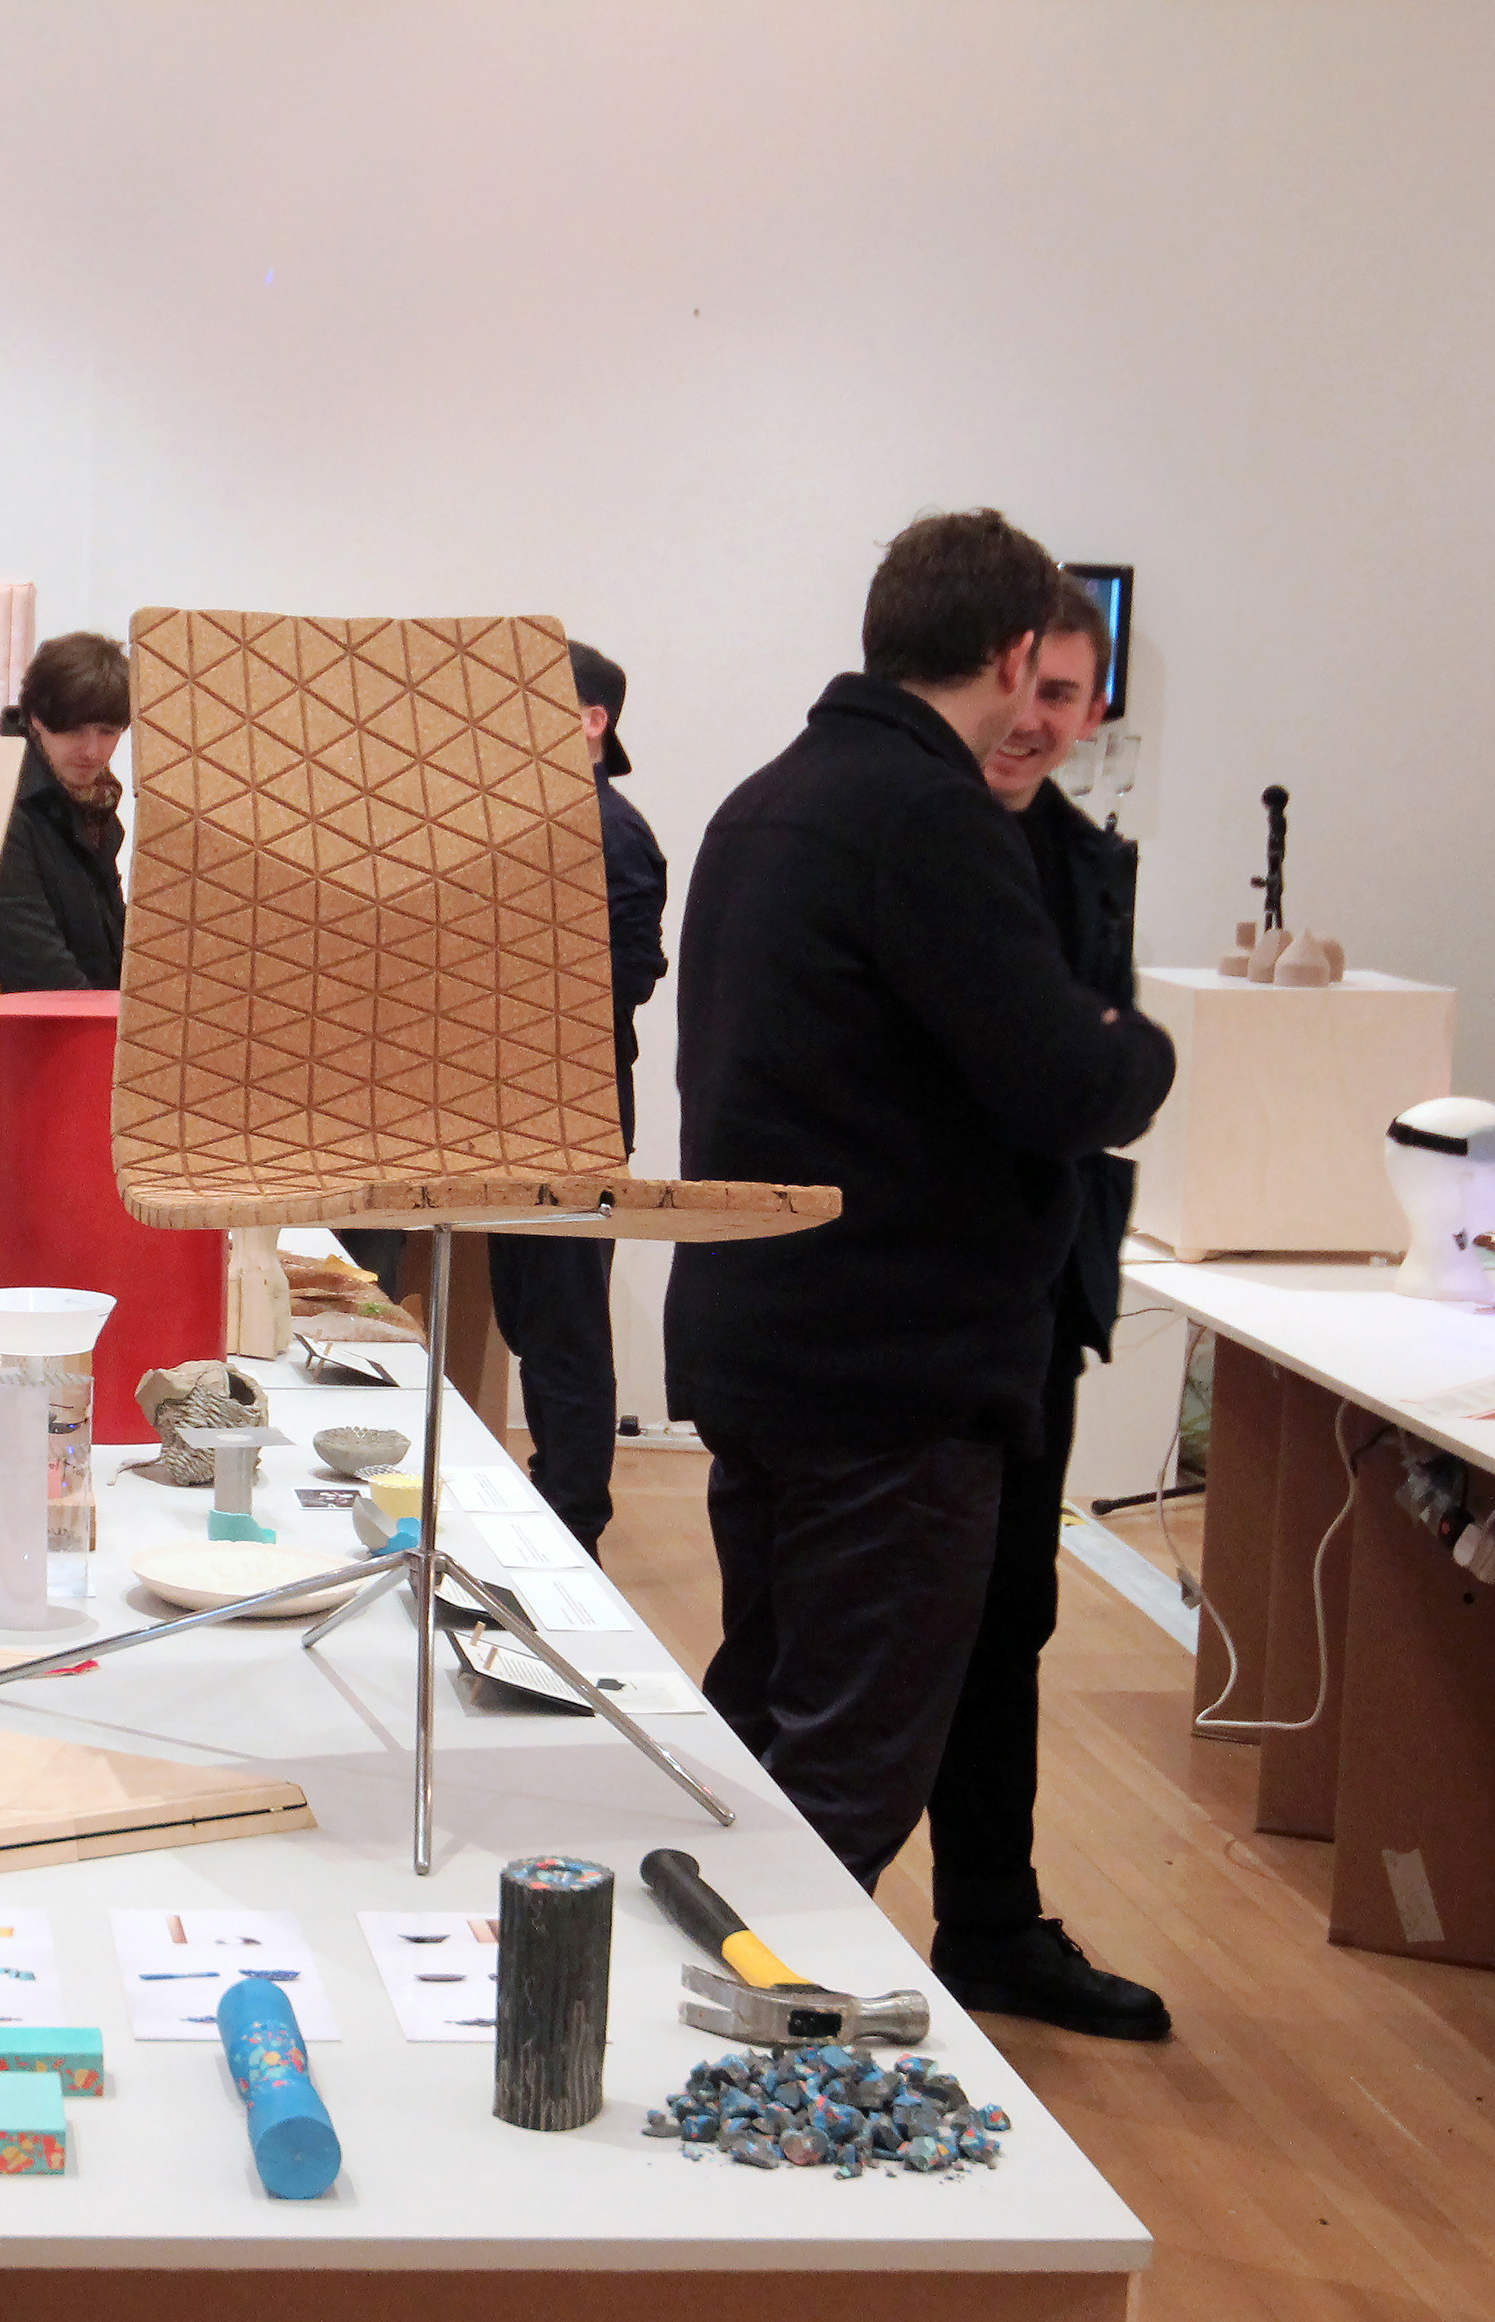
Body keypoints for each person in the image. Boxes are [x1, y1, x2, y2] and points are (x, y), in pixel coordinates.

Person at [664, 511, 1175, 1893]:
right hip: (886, 1373)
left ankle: (681, 1982)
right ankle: (750, 2013)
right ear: (1013, 655)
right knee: (847, 1763)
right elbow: (1068, 1081)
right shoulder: (927, 818)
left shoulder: (768, 797)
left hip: (767, 1339)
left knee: (768, 1718)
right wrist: (1137, 1043)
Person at [915, 577, 1173, 2038]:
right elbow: (1062, 1067)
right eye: (1028, 689)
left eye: (1067, 698)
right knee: (879, 1633)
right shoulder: (914, 834)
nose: (1037, 722)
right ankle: (784, 1926)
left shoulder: (1083, 857)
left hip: (1040, 1290)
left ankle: (991, 1920)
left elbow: (1087, 1079)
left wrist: (1094, 1065)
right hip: (922, 1299)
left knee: (1014, 1610)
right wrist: (1098, 1059)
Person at [483, 640, 670, 1556]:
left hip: (573, 1113)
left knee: (564, 1328)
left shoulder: (615, 831)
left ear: (592, 721)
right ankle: (554, 1497)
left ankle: (573, 1523)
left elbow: (631, 972)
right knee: (530, 1317)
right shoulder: (537, 824)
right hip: (516, 1109)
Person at [0, 632, 130, 992]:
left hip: (96, 1016)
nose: (92, 751)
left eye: (107, 732)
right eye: (73, 731)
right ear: (36, 719)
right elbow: (38, 968)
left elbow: (117, 946)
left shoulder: (96, 805)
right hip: (37, 1022)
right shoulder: (1, 809)